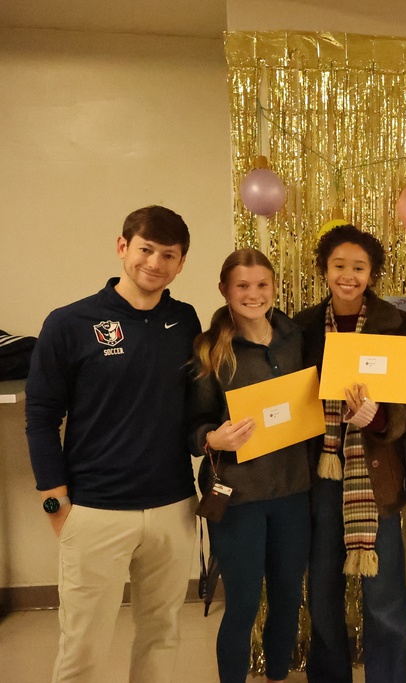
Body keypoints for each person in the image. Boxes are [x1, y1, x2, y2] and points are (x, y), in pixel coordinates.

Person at [25, 205, 201, 683]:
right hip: (95, 509)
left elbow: (193, 407)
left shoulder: (185, 322)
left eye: (169, 255)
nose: (155, 263)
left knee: (162, 634)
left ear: (181, 263)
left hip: (173, 506)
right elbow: (41, 417)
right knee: (83, 644)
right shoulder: (69, 323)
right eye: (146, 249)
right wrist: (54, 500)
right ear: (123, 247)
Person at [293, 224, 406, 683]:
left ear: (372, 273)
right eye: (339, 266)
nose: (348, 275)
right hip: (320, 479)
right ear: (324, 270)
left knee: (384, 595)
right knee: (322, 590)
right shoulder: (301, 327)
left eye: (358, 268)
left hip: (377, 477)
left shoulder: (396, 325)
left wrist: (377, 418)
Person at [188, 249, 311, 683]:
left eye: (262, 285)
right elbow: (193, 426)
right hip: (238, 497)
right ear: (224, 289)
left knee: (287, 597)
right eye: (242, 286)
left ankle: (277, 675)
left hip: (295, 492)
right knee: (241, 604)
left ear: (274, 287)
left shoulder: (299, 337)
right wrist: (211, 439)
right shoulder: (208, 350)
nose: (253, 294)